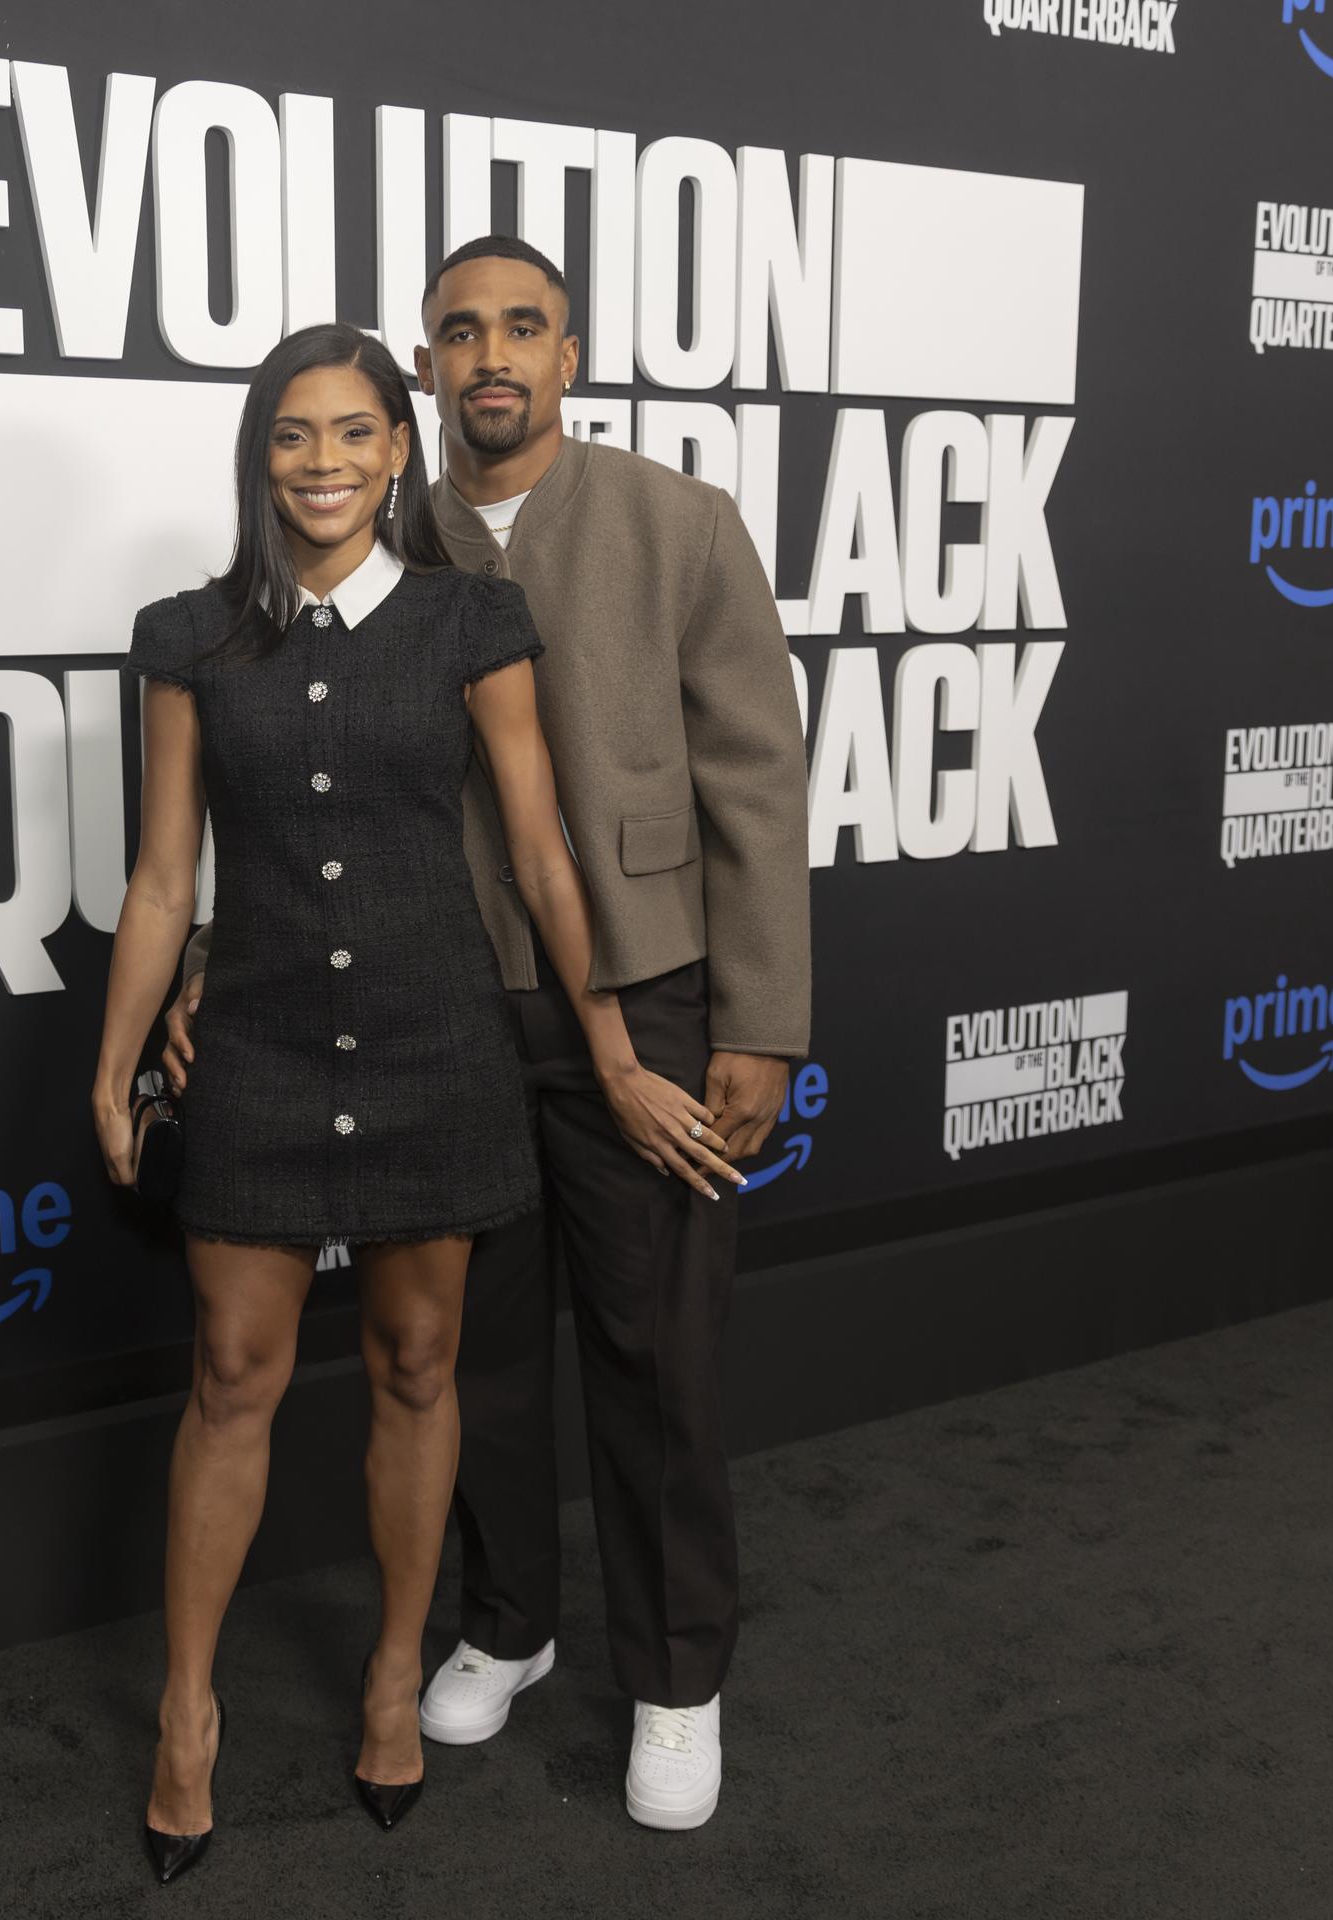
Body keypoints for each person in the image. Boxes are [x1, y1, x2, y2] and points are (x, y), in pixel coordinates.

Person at [167, 237, 810, 1832]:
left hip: (646, 993)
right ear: (422, 378)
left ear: (571, 355)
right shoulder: (381, 527)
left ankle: (674, 1680)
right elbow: (274, 784)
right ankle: (508, 1624)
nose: (492, 356)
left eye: (523, 327)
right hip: (437, 1014)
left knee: (655, 1349)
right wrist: (202, 959)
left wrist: (765, 1018)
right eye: (461, 333)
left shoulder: (680, 523)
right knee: (473, 1358)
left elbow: (757, 781)